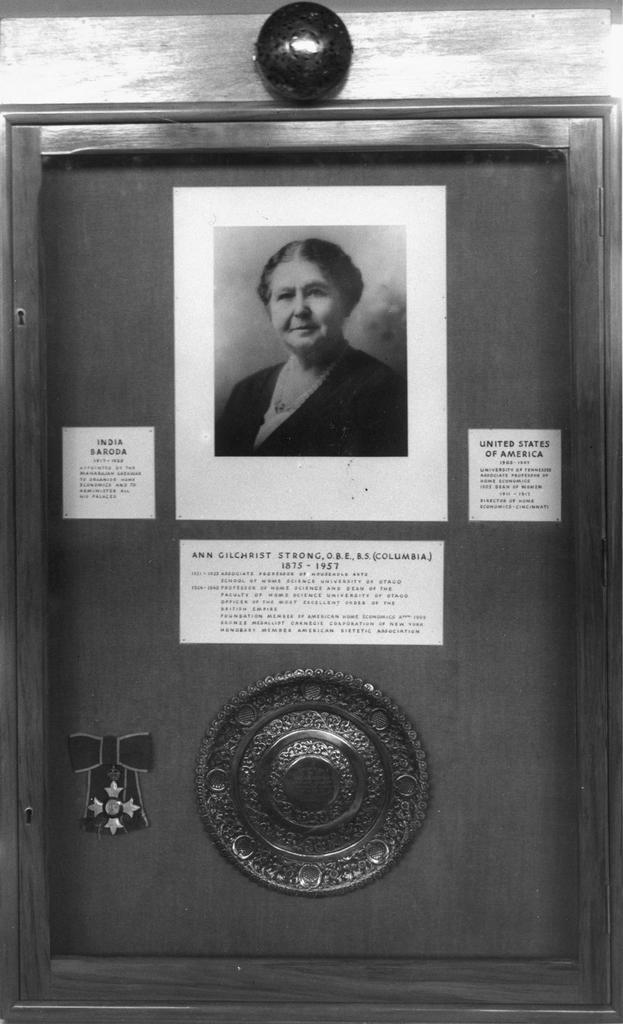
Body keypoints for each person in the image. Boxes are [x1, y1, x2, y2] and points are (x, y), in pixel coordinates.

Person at [215, 238, 408, 457]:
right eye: (285, 296)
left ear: (346, 302)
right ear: (270, 310)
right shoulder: (246, 392)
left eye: (316, 292)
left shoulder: (382, 393)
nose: (300, 310)